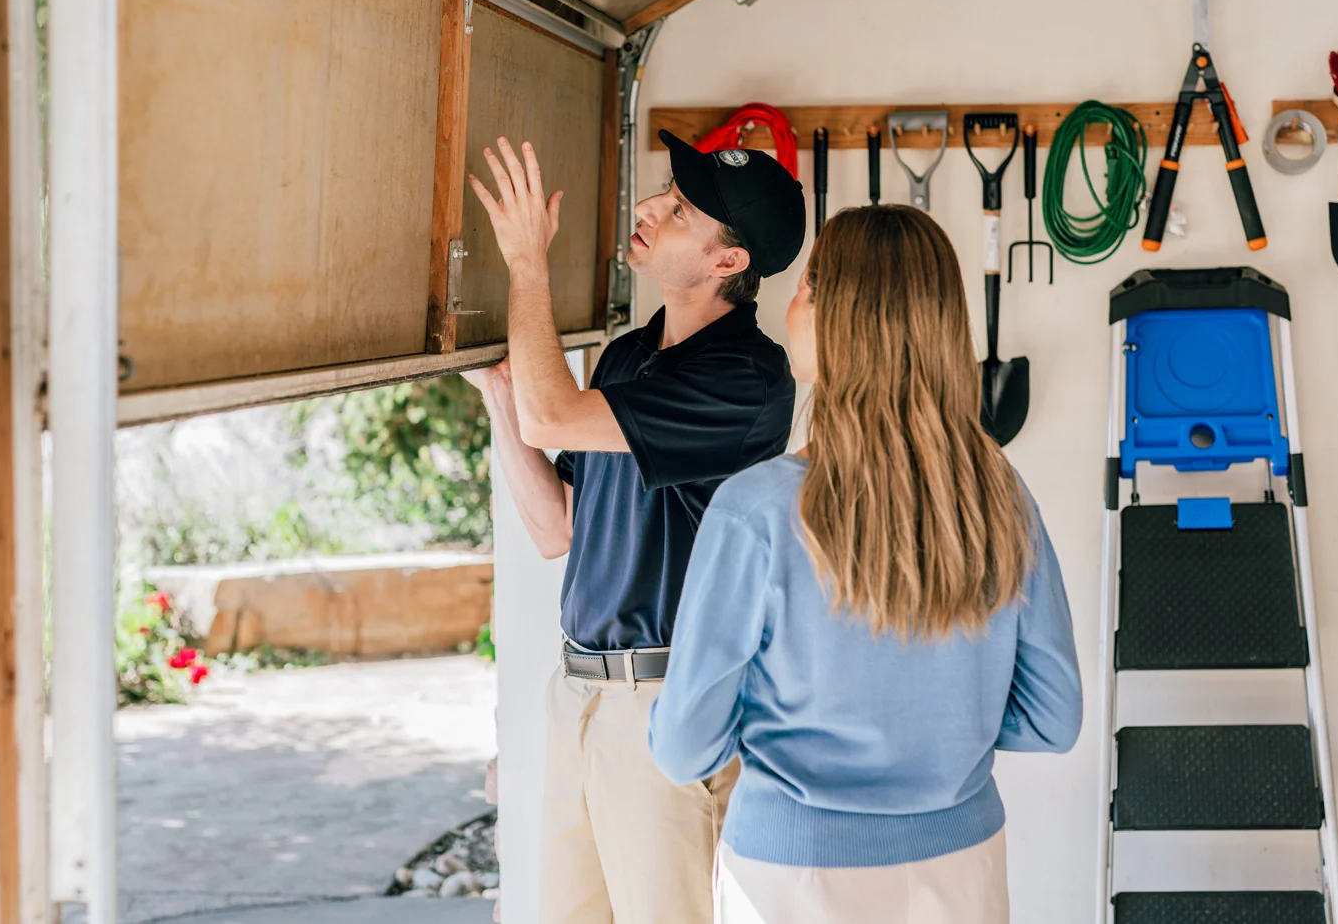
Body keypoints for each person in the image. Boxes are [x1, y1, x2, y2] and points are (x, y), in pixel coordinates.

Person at [649, 205, 1083, 924]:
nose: (792, 304)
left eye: (810, 289)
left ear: (852, 320)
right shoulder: (998, 492)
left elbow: (684, 748)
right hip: (961, 869)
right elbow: (1054, 718)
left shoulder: (754, 512)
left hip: (793, 880)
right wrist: (947, 729)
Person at [462, 131, 806, 924]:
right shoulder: (627, 358)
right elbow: (558, 529)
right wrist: (496, 398)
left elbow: (552, 413)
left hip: (665, 711)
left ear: (728, 262)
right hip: (579, 693)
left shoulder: (745, 380)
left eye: (682, 210)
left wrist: (526, 264)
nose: (652, 207)